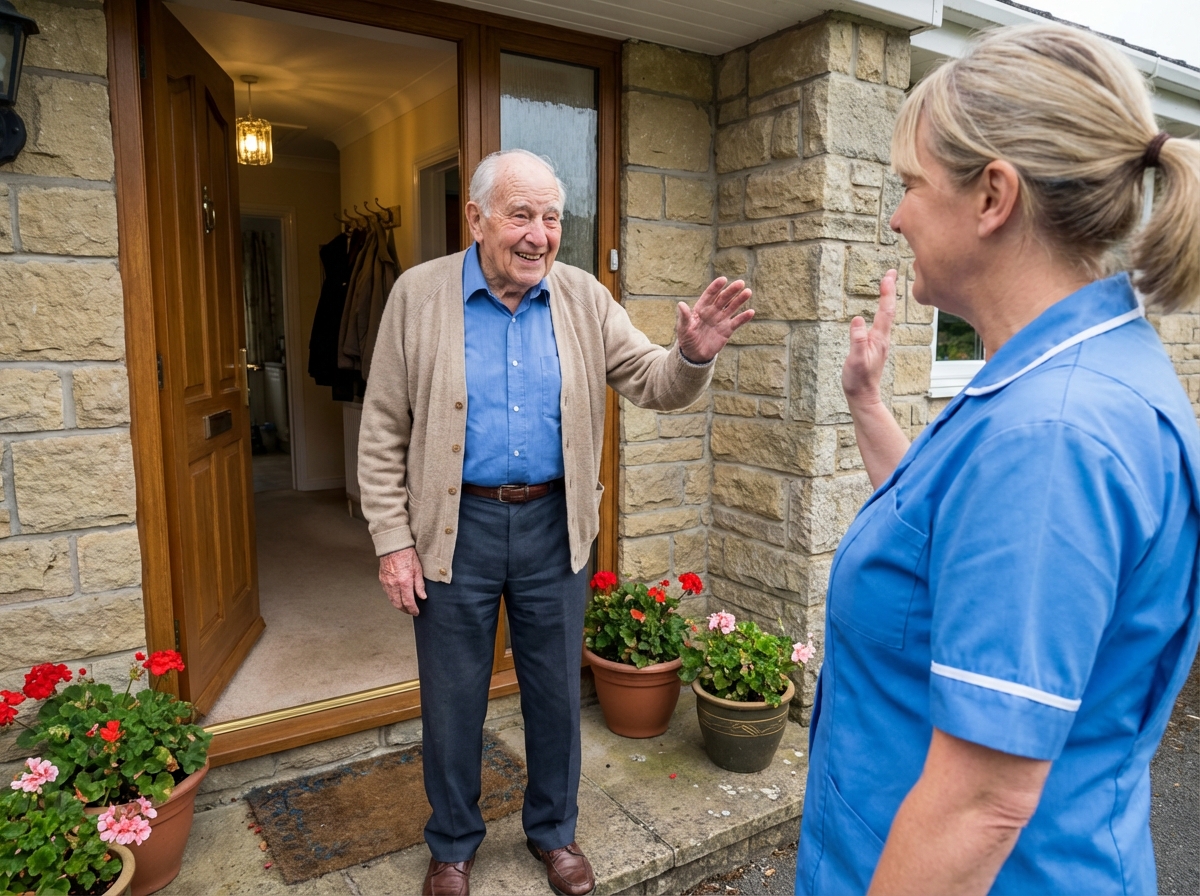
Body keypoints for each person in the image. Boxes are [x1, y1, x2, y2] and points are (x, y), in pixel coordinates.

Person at [797, 23, 1200, 896]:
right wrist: (867, 404)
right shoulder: (1050, 382)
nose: (897, 214)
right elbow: (943, 543)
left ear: (992, 196)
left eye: (911, 185)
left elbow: (980, 806)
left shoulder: (1051, 436)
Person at [358, 148, 753, 896]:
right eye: (521, 216)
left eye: (551, 217)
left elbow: (653, 381)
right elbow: (382, 428)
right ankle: (452, 845)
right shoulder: (417, 295)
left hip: (553, 526)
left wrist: (691, 355)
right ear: (475, 219)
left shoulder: (583, 298)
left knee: (553, 694)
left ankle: (554, 832)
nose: (539, 235)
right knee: (452, 698)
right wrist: (393, 541)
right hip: (455, 528)